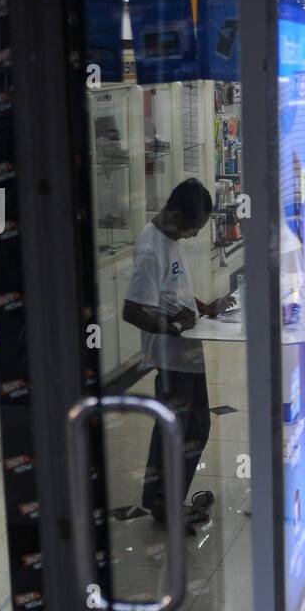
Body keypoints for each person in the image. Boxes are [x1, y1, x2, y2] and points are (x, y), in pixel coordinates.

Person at [122, 179, 236, 529]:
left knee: (188, 427)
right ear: (174, 214)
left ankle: (164, 500)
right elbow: (132, 310)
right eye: (191, 227)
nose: (192, 235)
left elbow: (176, 294)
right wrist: (172, 326)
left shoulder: (170, 239)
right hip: (171, 358)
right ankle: (164, 503)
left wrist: (206, 307)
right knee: (181, 430)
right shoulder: (150, 248)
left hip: (186, 352)